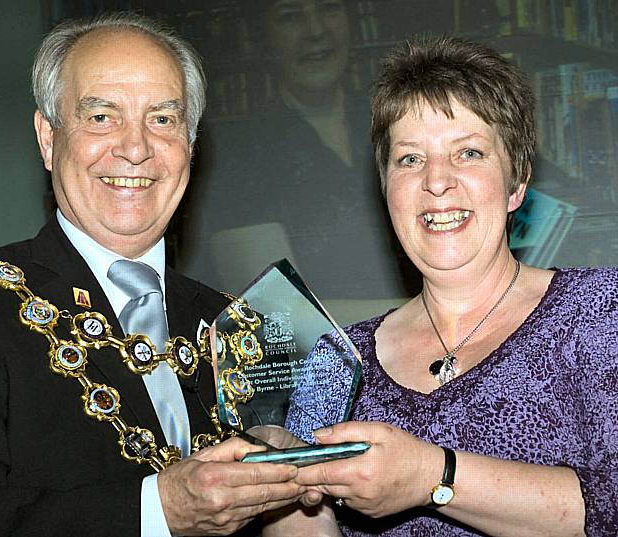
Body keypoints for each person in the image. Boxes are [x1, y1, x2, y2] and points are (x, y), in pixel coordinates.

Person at [265, 35, 618, 536]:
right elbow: (305, 521)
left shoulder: (601, 311)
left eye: (468, 153)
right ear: (385, 186)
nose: (436, 182)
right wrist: (275, 485)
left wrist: (435, 476)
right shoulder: (336, 359)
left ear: (516, 183)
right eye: (410, 159)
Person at [0, 13, 308, 536]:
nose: (135, 149)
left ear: (191, 146)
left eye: (162, 119)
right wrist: (157, 512)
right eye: (102, 116)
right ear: (47, 138)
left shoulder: (243, 325)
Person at [182, 0, 408, 308]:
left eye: (329, 9)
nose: (315, 31)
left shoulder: (400, 126)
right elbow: (279, 314)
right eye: (290, 17)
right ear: (262, 39)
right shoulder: (241, 157)